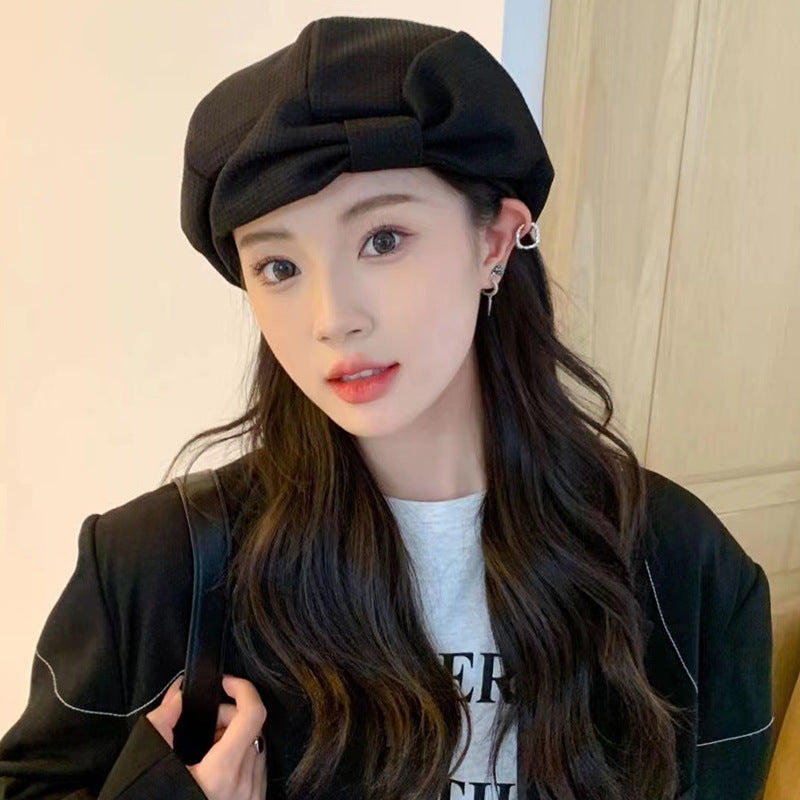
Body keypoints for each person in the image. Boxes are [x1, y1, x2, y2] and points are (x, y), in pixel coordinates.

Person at [0, 15, 773, 800]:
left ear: (494, 243)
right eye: (279, 266)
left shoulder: (686, 573)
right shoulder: (154, 569)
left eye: (383, 239)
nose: (333, 318)